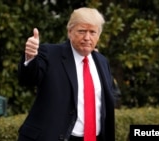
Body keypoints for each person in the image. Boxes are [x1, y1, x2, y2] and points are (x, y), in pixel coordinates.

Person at [17, 7, 115, 141]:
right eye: (81, 31)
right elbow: (27, 79)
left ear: (98, 35)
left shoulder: (102, 62)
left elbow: (106, 102)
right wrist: (30, 57)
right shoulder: (50, 54)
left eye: (92, 32)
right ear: (70, 32)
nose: (87, 37)